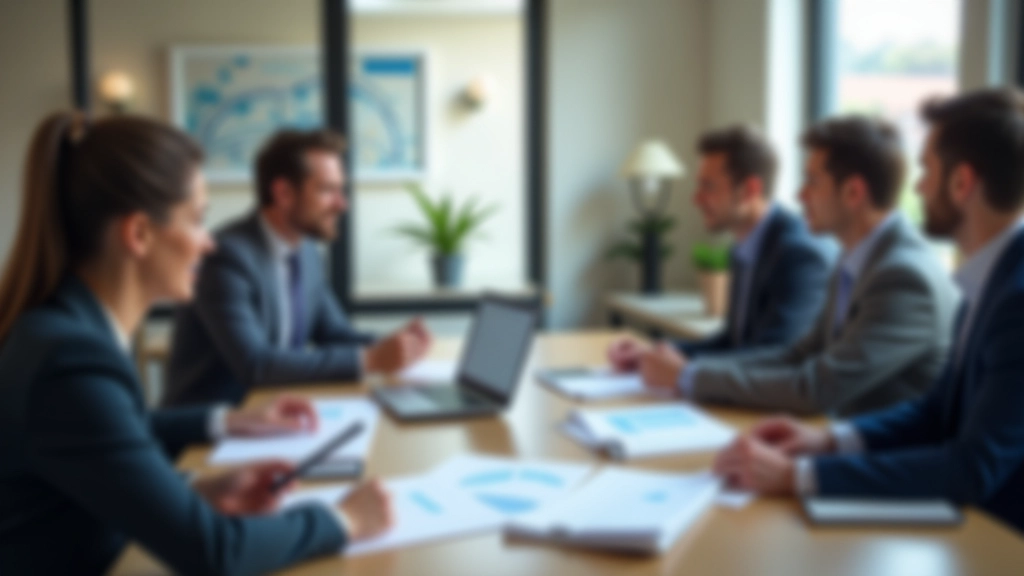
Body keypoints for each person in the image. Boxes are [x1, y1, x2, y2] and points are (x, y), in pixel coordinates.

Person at [0, 113, 393, 575]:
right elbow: (215, 553)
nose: (209, 243)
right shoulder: (72, 360)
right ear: (139, 234)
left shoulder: (67, 330)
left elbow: (115, 437)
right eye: (198, 220)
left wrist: (199, 488)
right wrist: (343, 519)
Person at [713, 88, 1024, 534]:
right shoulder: (988, 278)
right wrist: (828, 441)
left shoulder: (1015, 299)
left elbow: (972, 468)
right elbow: (936, 412)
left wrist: (798, 475)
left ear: (962, 183)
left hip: (997, 542)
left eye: (926, 170)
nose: (917, 187)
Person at [638, 116, 959, 416]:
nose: (799, 195)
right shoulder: (853, 257)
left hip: (880, 449)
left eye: (812, 182)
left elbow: (818, 388)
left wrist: (690, 376)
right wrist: (687, 370)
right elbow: (798, 355)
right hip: (834, 433)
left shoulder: (903, 277)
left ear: (853, 193)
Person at [164, 128, 431, 407]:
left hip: (276, 412)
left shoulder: (307, 252)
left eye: (341, 190)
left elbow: (334, 334)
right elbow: (256, 365)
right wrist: (370, 359)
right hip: (214, 423)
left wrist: (396, 346)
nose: (342, 204)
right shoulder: (226, 258)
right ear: (284, 193)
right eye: (327, 190)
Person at [608, 125, 834, 371]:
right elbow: (733, 341)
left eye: (708, 186)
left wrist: (686, 371)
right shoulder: (744, 247)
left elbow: (774, 357)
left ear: (750, 190)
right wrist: (656, 353)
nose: (696, 199)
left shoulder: (799, 254)